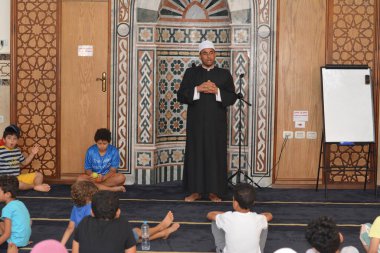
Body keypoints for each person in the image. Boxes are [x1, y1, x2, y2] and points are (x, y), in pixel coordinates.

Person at [177, 40, 237, 202]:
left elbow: (232, 97)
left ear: (215, 54)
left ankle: (214, 192)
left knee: (214, 155)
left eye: (211, 53)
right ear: (200, 55)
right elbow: (181, 95)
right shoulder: (191, 73)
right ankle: (195, 192)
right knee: (195, 154)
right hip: (196, 123)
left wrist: (217, 91)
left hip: (216, 124)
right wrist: (198, 89)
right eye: (205, 53)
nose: (209, 56)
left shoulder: (224, 74)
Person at [206, 183, 273, 253]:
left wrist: (226, 214)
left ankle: (220, 249)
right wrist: (257, 217)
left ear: (235, 203)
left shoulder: (227, 217)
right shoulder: (258, 219)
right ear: (253, 202)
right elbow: (269, 215)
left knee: (215, 221)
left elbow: (210, 214)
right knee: (264, 223)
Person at [0, 124, 50, 192]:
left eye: (14, 138)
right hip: (6, 181)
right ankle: (36, 186)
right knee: (17, 184)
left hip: (17, 177)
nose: (12, 141)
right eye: (9, 138)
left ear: (17, 140)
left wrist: (32, 153)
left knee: (39, 175)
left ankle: (36, 187)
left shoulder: (17, 150)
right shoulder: (1, 151)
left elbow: (24, 163)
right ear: (4, 139)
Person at [61, 181, 98, 246]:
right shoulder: (91, 208)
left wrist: (61, 245)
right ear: (87, 198)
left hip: (80, 238)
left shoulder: (75, 206)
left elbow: (70, 228)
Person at [0, 175, 31, 253]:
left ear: (7, 194)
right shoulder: (20, 203)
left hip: (15, 242)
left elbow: (7, 234)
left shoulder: (7, 209)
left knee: (0, 223)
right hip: (24, 240)